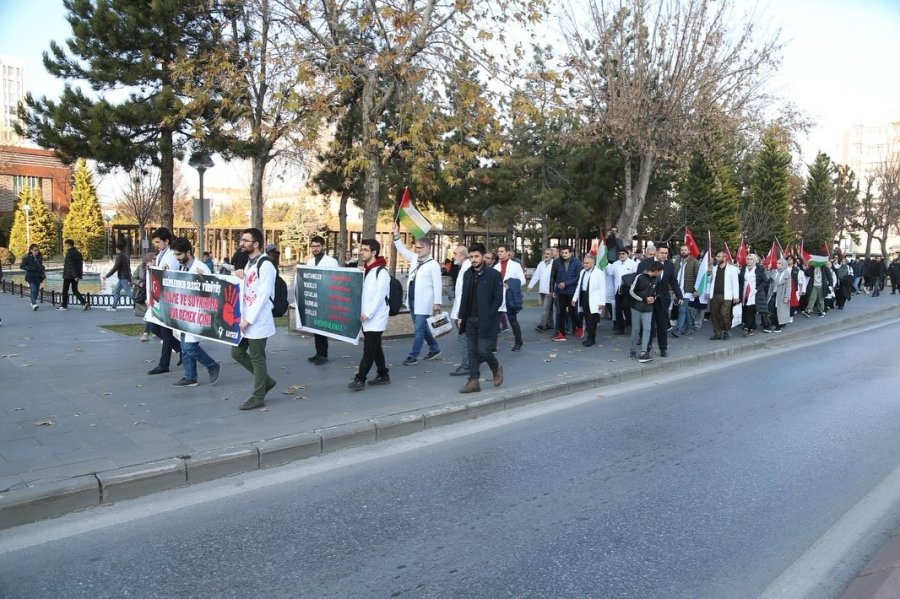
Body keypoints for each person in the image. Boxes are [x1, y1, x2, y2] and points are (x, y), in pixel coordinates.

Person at [231, 227, 278, 410]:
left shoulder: (265, 265)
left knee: (258, 358)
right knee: (237, 352)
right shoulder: (250, 263)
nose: (241, 243)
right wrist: (239, 276)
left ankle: (258, 396)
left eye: (245, 241)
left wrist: (248, 320)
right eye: (241, 240)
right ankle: (266, 381)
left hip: (257, 320)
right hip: (246, 318)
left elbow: (263, 295)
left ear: (256, 244)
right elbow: (248, 287)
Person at [170, 237, 221, 387]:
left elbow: (211, 291)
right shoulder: (182, 268)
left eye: (179, 254)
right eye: (175, 255)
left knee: (189, 346)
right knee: (184, 345)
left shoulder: (201, 268)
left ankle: (212, 365)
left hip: (197, 313)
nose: (177, 258)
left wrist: (203, 280)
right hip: (185, 313)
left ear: (188, 252)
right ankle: (190, 376)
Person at [393, 223, 443, 365]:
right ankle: (434, 348)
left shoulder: (433, 265)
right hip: (412, 299)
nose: (418, 249)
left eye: (421, 247)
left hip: (425, 302)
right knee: (422, 327)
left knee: (419, 329)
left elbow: (437, 285)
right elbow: (402, 250)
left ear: (428, 248)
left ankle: (413, 355)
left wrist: (437, 302)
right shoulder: (415, 259)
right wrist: (396, 235)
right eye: (417, 247)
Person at [457, 242, 504, 393]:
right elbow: (464, 297)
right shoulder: (468, 274)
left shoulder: (494, 275)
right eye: (471, 257)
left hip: (486, 320)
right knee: (472, 351)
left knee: (483, 350)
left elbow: (498, 299)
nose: (473, 259)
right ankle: (473, 381)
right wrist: (461, 316)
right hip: (469, 319)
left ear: (483, 256)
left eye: (476, 256)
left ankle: (495, 367)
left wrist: (490, 315)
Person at [348, 239, 391, 391]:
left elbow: (379, 297)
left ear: (374, 252)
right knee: (376, 347)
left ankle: (360, 378)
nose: (362, 252)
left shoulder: (382, 272)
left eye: (365, 250)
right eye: (362, 249)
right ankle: (383, 374)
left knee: (369, 350)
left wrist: (368, 313)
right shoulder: (368, 271)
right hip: (366, 317)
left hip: (376, 317)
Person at [146, 227, 182, 375]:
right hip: (158, 297)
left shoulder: (172, 256)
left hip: (167, 297)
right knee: (154, 327)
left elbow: (167, 276)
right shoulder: (161, 253)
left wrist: (154, 268)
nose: (156, 245)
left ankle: (164, 364)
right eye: (155, 242)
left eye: (158, 242)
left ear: (166, 241)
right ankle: (181, 349)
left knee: (165, 332)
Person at [305, 235, 340, 365]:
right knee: (316, 327)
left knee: (322, 327)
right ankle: (318, 352)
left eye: (318, 246)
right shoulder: (309, 262)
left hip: (326, 298)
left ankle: (323, 354)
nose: (315, 249)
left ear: (323, 247)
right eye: (313, 246)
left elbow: (336, 279)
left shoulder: (331, 262)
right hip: (314, 297)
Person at [648, 246, 683, 356]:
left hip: (663, 300)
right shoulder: (646, 263)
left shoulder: (669, 265)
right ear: (656, 253)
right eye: (662, 252)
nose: (664, 255)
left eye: (666, 253)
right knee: (649, 326)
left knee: (662, 326)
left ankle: (663, 348)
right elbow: (640, 279)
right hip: (648, 300)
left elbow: (673, 281)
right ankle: (647, 348)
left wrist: (679, 295)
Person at [629, 261, 662, 362]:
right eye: (660, 271)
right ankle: (632, 349)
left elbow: (656, 292)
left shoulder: (656, 279)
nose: (660, 273)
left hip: (648, 308)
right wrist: (643, 299)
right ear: (655, 270)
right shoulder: (640, 277)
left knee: (647, 329)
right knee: (636, 329)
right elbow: (631, 291)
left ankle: (644, 352)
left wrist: (653, 298)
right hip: (636, 307)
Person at [495, 243, 526, 351]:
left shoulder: (515, 265)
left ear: (508, 252)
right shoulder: (495, 267)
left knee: (513, 321)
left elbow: (522, 280)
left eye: (502, 251)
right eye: (498, 251)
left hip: (510, 297)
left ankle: (518, 342)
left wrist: (510, 284)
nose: (499, 253)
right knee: (495, 322)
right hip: (498, 298)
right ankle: (492, 345)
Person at [448, 244, 472, 376]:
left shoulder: (467, 268)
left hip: (462, 311)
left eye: (455, 254)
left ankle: (466, 365)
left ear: (463, 255)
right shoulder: (463, 267)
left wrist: (460, 313)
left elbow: (465, 293)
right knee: (467, 339)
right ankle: (470, 363)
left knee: (464, 339)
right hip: (460, 310)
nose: (453, 256)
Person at [573, 253, 606, 347]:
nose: (585, 264)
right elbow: (579, 286)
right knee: (586, 318)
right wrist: (574, 298)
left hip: (594, 299)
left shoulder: (599, 273)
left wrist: (602, 302)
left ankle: (591, 339)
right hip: (584, 296)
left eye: (587, 263)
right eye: (584, 263)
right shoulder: (582, 272)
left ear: (593, 263)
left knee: (592, 320)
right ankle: (589, 337)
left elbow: (602, 288)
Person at [551, 245, 583, 341]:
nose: (564, 255)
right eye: (562, 253)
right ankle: (561, 333)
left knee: (572, 313)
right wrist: (555, 290)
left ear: (571, 253)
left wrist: (566, 283)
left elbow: (578, 277)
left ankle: (579, 327)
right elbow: (558, 277)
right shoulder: (559, 262)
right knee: (561, 313)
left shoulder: (577, 262)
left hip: (572, 291)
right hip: (561, 292)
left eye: (566, 253)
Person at [707, 250, 739, 340]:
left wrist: (736, 296)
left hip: (727, 296)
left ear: (725, 258)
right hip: (715, 295)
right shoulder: (714, 268)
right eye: (717, 257)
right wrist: (709, 272)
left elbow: (735, 283)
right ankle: (717, 333)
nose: (717, 258)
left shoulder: (732, 269)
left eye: (719, 257)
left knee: (724, 314)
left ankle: (726, 330)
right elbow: (709, 280)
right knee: (714, 315)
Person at [606, 247, 637, 335]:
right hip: (617, 289)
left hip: (628, 290)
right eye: (620, 254)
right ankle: (620, 328)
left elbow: (635, 276)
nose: (621, 255)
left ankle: (629, 325)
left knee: (627, 308)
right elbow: (609, 273)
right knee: (618, 309)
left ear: (627, 254)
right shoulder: (615, 264)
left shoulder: (633, 264)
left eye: (623, 254)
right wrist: (606, 263)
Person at [671, 245, 699, 336]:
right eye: (682, 250)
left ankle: (678, 329)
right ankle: (690, 327)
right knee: (685, 309)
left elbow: (698, 276)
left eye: (685, 250)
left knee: (682, 309)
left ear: (689, 251)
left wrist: (696, 289)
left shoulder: (694, 262)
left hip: (688, 290)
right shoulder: (676, 261)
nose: (683, 251)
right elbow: (672, 275)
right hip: (678, 289)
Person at [528, 248, 555, 332]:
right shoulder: (541, 264)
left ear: (552, 255)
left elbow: (556, 277)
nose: (546, 255)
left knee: (545, 308)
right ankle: (550, 324)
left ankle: (542, 325)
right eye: (545, 253)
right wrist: (530, 286)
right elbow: (536, 275)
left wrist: (555, 289)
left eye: (548, 254)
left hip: (550, 290)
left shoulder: (554, 264)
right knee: (549, 308)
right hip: (542, 289)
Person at [102, 240, 132, 311]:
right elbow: (128, 268)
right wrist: (130, 277)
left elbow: (115, 268)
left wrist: (107, 276)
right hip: (123, 277)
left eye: (116, 248)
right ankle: (113, 307)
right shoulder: (126, 256)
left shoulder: (120, 257)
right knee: (116, 291)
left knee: (129, 293)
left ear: (117, 248)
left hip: (123, 278)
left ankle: (141, 304)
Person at [58, 239, 88, 311]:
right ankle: (84, 303)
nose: (65, 246)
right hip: (75, 275)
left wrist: (75, 276)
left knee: (65, 290)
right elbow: (79, 265)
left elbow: (72, 265)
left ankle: (64, 306)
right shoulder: (78, 253)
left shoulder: (69, 253)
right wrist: (77, 275)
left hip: (68, 275)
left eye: (66, 245)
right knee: (75, 290)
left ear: (68, 245)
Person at [134, 252, 155, 341]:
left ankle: (147, 332)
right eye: (152, 259)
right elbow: (133, 278)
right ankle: (147, 332)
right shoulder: (141, 267)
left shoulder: (157, 268)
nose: (153, 260)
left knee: (150, 312)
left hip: (154, 293)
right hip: (144, 293)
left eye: (154, 259)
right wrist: (139, 282)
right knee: (149, 312)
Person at [768, 257, 791, 332]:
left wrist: (786, 297)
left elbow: (788, 287)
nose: (778, 265)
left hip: (781, 295)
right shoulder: (774, 272)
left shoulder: (787, 274)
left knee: (780, 311)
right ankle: (773, 322)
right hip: (773, 294)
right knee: (772, 309)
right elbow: (768, 278)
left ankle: (779, 326)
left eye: (780, 263)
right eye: (777, 263)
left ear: (783, 265)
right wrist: (768, 269)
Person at [20, 244, 44, 311]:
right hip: (31, 276)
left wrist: (42, 267)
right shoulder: (26, 257)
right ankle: (34, 304)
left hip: (38, 276)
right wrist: (30, 268)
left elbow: (40, 265)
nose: (37, 251)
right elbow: (22, 266)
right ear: (31, 250)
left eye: (37, 250)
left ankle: (33, 302)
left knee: (36, 291)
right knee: (33, 290)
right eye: (35, 250)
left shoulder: (39, 257)